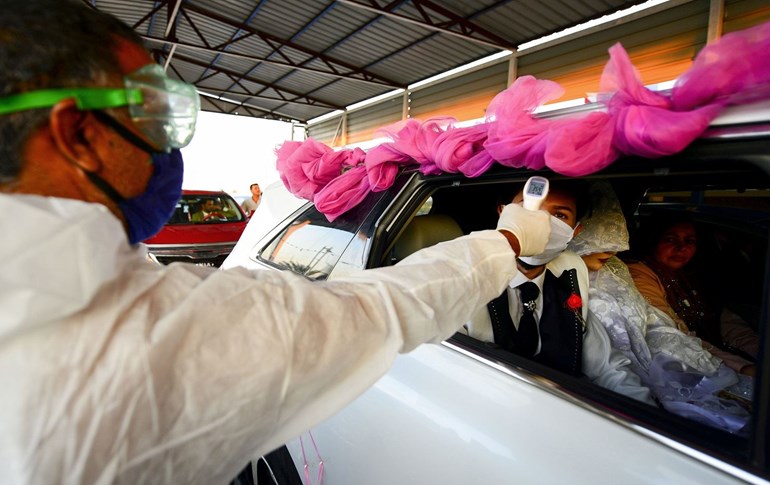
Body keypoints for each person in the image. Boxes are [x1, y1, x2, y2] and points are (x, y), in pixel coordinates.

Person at [0, 1, 553, 483]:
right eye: (149, 118)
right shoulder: (146, 328)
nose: (163, 147)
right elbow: (387, 307)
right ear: (77, 135)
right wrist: (507, 239)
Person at [568, 182, 750, 434]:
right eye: (671, 239)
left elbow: (659, 326)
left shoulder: (616, 272)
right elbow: (608, 362)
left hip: (678, 371)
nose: (612, 245)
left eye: (690, 241)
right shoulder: (577, 280)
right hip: (626, 396)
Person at [464, 181, 654, 404]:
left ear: (575, 231)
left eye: (560, 216)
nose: (541, 224)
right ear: (503, 212)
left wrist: (644, 413)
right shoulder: (462, 278)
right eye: (528, 208)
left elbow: (606, 365)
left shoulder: (571, 269)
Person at [626, 215, 759, 376]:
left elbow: (723, 320)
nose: (681, 248)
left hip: (709, 355)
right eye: (670, 239)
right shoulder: (639, 273)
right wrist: (741, 367)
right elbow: (669, 333)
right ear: (652, 240)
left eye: (689, 241)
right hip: (676, 365)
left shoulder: (688, 274)